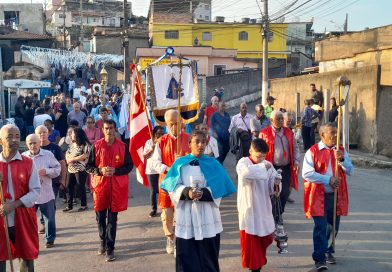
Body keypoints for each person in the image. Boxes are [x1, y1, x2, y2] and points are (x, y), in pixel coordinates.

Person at [160, 130, 236, 272]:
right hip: (187, 217)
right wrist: (187, 192)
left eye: (203, 142)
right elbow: (171, 187)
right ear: (189, 144)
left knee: (208, 259)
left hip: (207, 215)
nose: (201, 145)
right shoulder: (180, 164)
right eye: (197, 142)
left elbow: (219, 187)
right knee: (186, 258)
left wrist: (204, 193)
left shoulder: (214, 164)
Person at [302, 123, 354, 271]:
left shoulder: (341, 150)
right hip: (319, 195)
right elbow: (306, 173)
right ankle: (319, 258)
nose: (336, 136)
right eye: (332, 133)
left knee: (333, 226)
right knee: (320, 227)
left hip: (336, 195)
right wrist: (328, 179)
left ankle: (329, 250)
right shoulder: (312, 151)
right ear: (322, 135)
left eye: (337, 133)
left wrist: (342, 160)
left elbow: (351, 171)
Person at [86, 119, 133, 262]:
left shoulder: (123, 146)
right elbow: (89, 167)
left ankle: (110, 248)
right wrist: (100, 170)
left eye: (111, 128)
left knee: (112, 219)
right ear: (102, 129)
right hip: (100, 187)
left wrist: (116, 171)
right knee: (100, 218)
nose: (109, 131)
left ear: (115, 129)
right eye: (106, 128)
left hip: (117, 188)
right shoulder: (97, 146)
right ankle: (102, 242)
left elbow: (129, 166)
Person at [236, 139, 282, 272]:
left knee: (264, 238)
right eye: (258, 156)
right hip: (249, 208)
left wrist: (276, 182)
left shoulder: (267, 164)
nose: (261, 159)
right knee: (251, 242)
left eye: (263, 156)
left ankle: (259, 262)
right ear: (250, 151)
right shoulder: (243, 162)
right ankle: (254, 267)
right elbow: (246, 174)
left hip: (263, 206)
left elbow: (272, 186)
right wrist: (262, 167)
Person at [0, 125, 40, 272]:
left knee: (26, 259)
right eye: (10, 136)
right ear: (0, 140)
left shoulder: (28, 162)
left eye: (17, 136)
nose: (15, 140)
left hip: (23, 218)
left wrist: (14, 205)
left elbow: (35, 191)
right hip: (1, 220)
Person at [150, 109, 191, 255]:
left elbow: (195, 160)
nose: (174, 127)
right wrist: (168, 168)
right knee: (167, 213)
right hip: (167, 183)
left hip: (184, 182)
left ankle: (180, 240)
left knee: (181, 212)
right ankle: (170, 237)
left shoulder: (189, 139)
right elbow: (155, 162)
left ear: (181, 122)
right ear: (167, 124)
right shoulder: (161, 141)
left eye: (177, 123)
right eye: (171, 124)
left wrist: (184, 162)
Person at [259, 110, 299, 224]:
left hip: (286, 168)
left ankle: (279, 213)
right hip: (271, 168)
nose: (282, 121)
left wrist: (296, 161)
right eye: (279, 119)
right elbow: (258, 150)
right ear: (271, 120)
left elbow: (295, 148)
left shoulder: (289, 133)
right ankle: (273, 216)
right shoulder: (264, 133)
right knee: (272, 192)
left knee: (285, 192)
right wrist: (261, 164)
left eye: (282, 118)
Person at [23, 134, 61, 248]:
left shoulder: (48, 155)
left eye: (35, 143)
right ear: (26, 145)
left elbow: (57, 169)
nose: (33, 145)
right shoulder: (23, 157)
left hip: (46, 192)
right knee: (29, 220)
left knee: (49, 218)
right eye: (30, 143)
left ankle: (50, 239)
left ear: (39, 143)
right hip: (29, 194)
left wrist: (47, 171)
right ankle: (30, 241)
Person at [63, 128, 92, 212]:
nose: (71, 135)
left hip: (81, 169)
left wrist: (72, 159)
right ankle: (69, 205)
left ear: (77, 135)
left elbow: (85, 156)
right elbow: (67, 153)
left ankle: (84, 205)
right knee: (68, 186)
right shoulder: (72, 144)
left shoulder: (85, 145)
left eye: (72, 134)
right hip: (71, 168)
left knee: (80, 186)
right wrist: (69, 159)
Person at [143, 126, 165, 218]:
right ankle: (153, 209)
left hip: (161, 169)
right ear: (154, 134)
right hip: (151, 170)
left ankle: (164, 207)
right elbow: (145, 156)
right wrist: (152, 149)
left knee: (162, 189)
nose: (160, 135)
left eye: (162, 133)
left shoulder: (164, 141)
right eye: (158, 133)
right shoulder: (149, 142)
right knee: (153, 190)